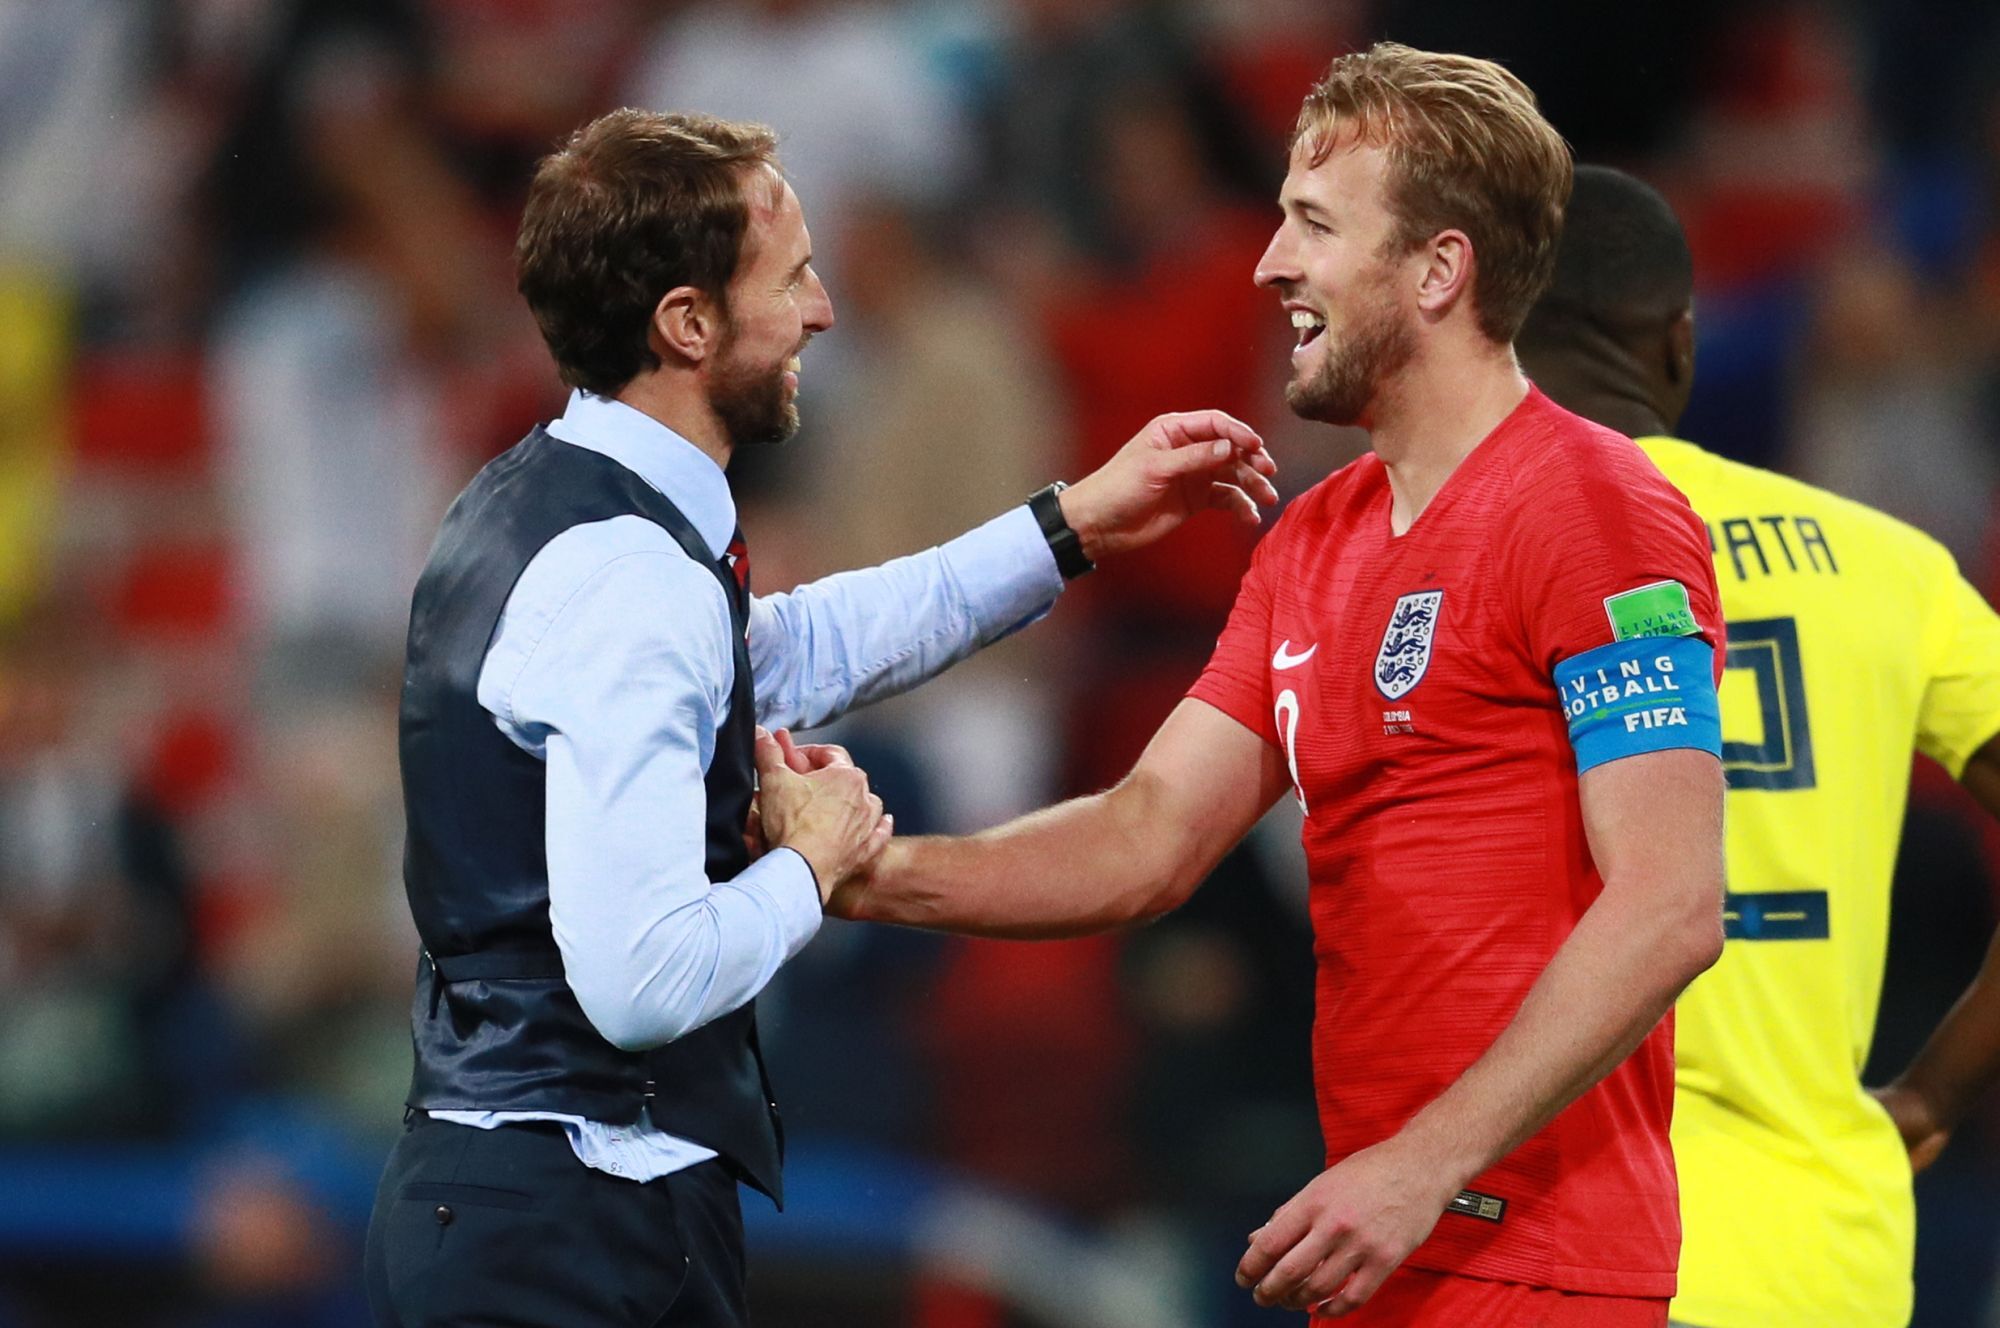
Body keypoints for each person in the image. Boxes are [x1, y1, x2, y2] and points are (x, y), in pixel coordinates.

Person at [826, 44, 1727, 1326]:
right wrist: (856, 869)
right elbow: (1145, 835)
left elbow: (1670, 902)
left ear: (1437, 270)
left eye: (1313, 225)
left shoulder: (1591, 505)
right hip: (1368, 1250)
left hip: (1535, 1264)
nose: (1268, 265)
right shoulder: (1311, 539)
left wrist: (1418, 1165)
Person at [361, 107, 1277, 1328]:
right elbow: (644, 976)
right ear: (687, 323)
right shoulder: (630, 577)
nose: (823, 311)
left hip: (514, 1197)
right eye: (789, 278)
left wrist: (1070, 526)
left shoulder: (540, 505)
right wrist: (811, 863)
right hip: (575, 1223)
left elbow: (787, 648)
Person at [1516, 164, 2000, 1328]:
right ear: (1677, 343)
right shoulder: (1887, 563)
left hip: (1554, 1248)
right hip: (1817, 1261)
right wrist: (1937, 1089)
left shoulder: (1446, 562)